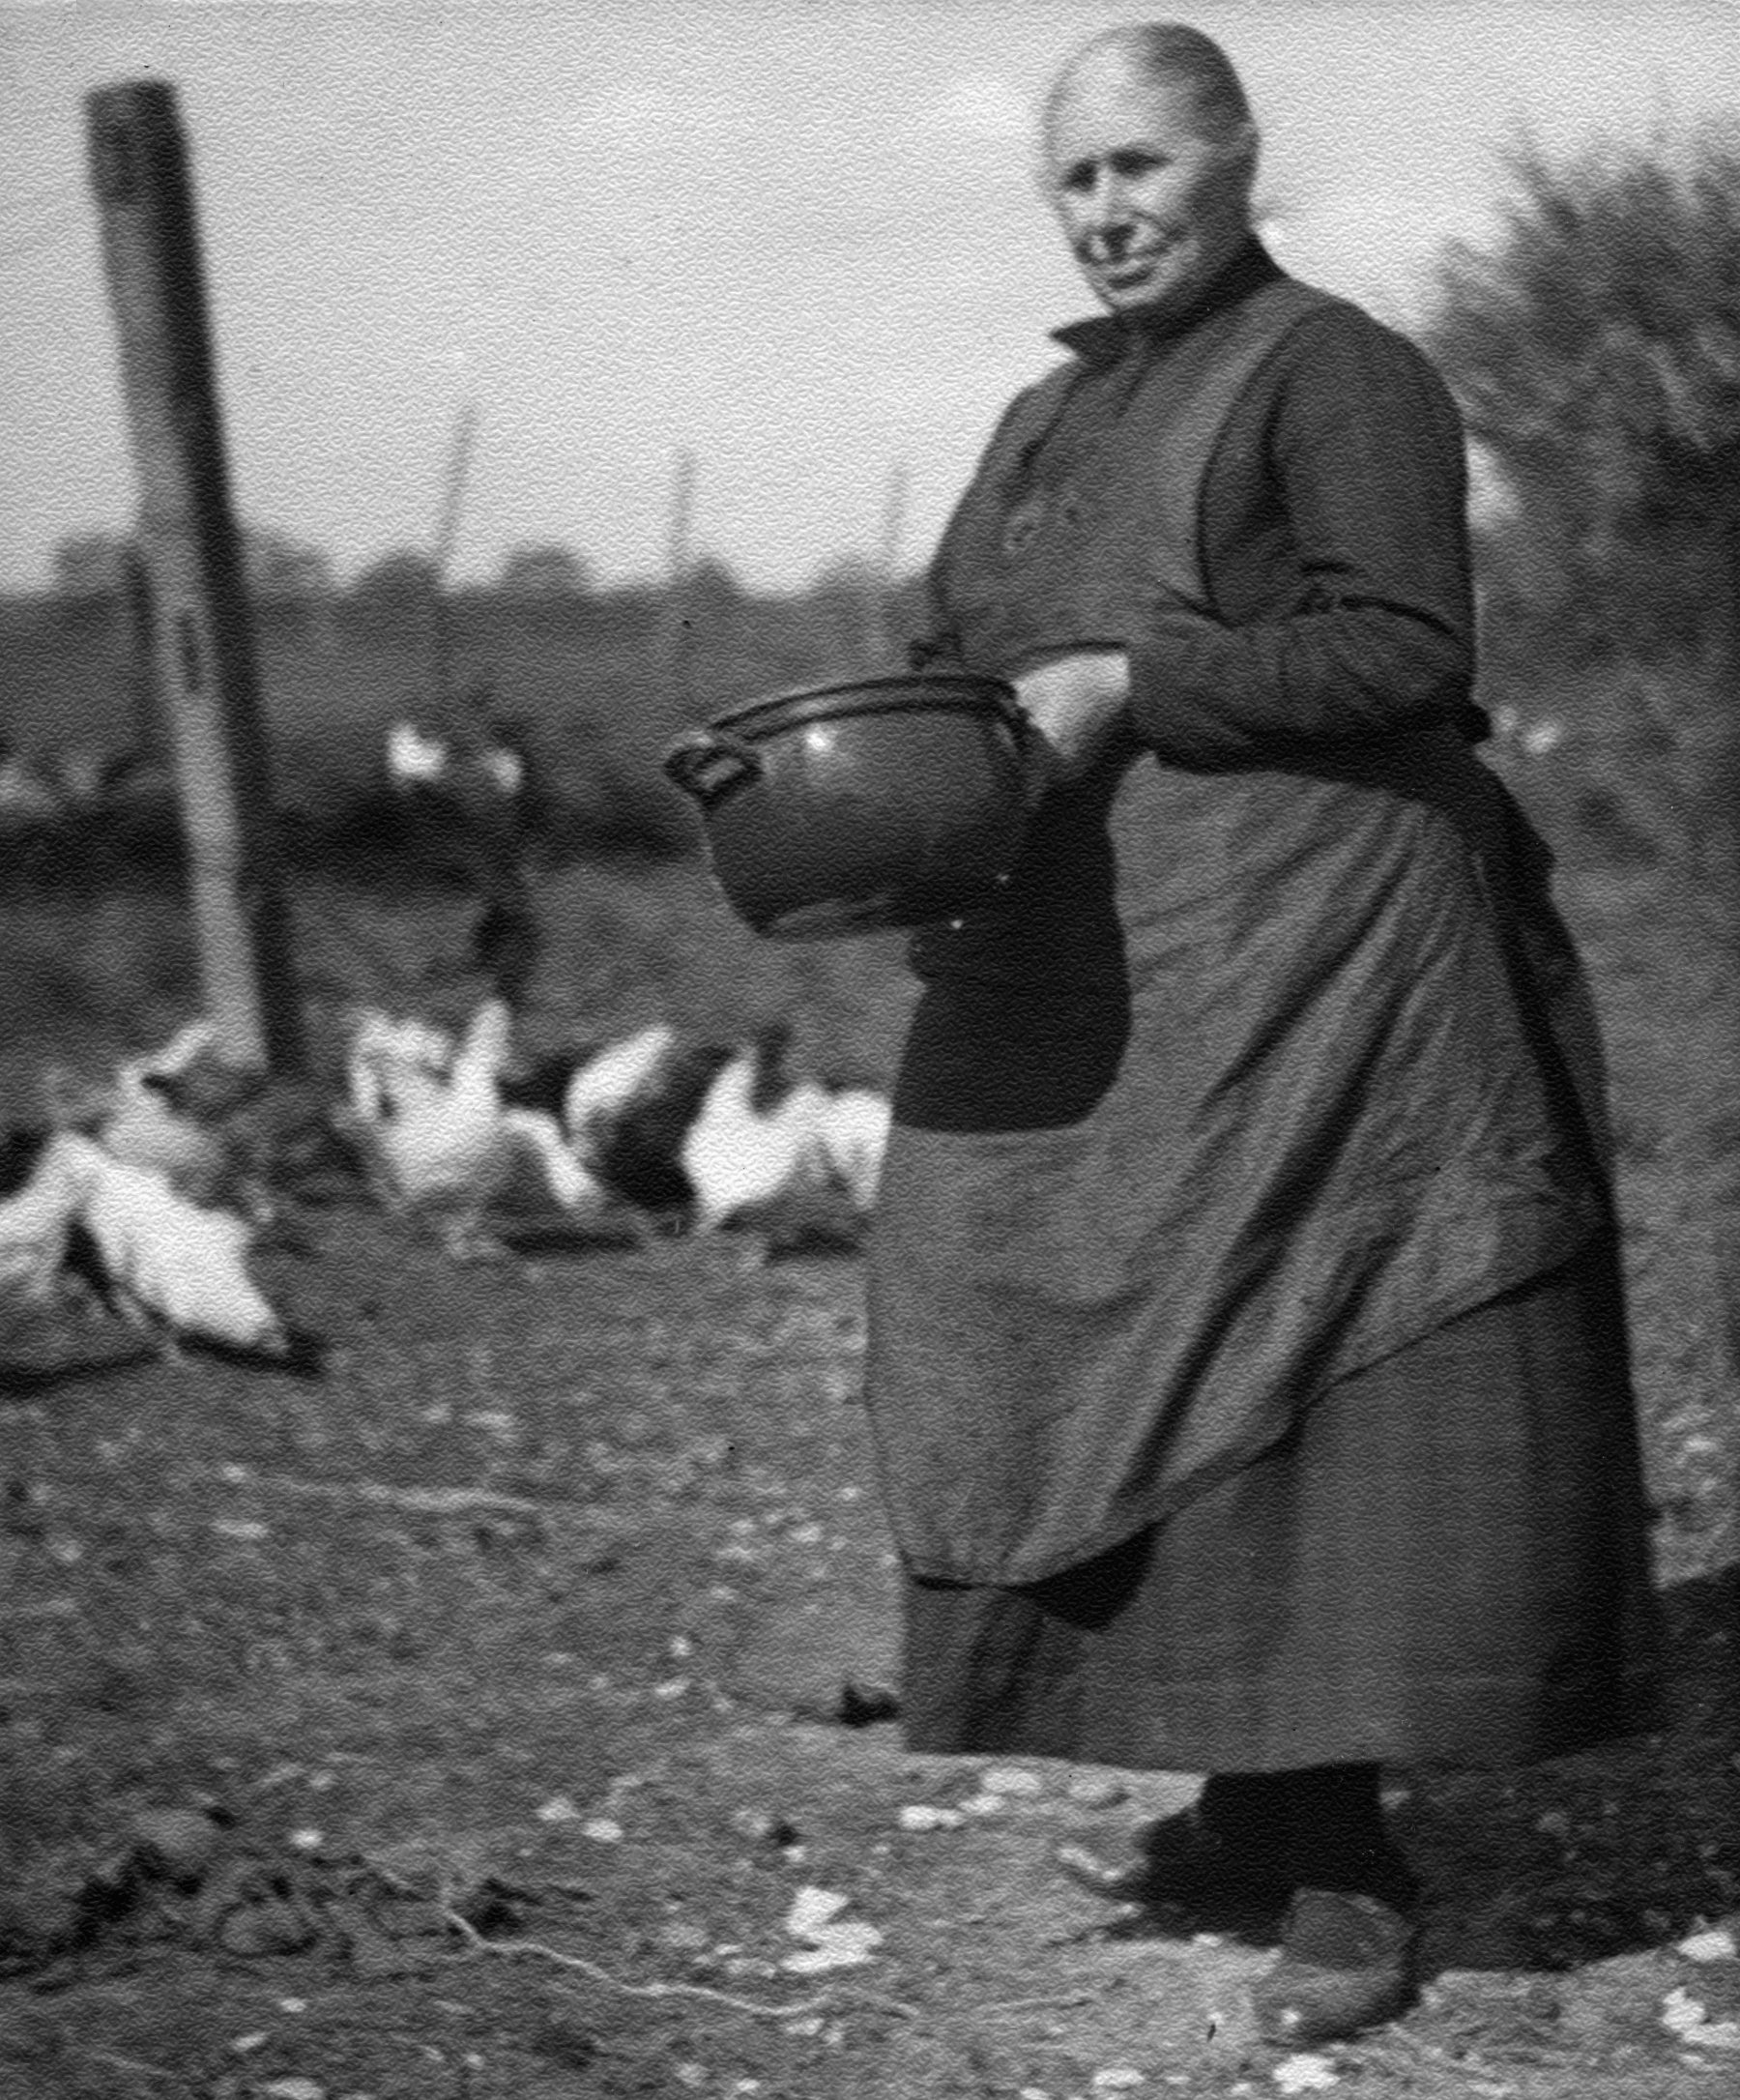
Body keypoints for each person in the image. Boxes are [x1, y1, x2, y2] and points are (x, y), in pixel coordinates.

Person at [860, 20, 1661, 2048]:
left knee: (1318, 1360)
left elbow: (1405, 648)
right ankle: (1240, 1794)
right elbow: (964, 660)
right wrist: (914, 798)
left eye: (1139, 165)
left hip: (1333, 959)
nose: (1107, 212)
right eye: (1074, 180)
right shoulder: (1049, 414)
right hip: (1111, 951)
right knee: (1042, 1299)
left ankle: (1344, 1862)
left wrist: (1133, 682)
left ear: (1235, 153)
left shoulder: (1338, 369)